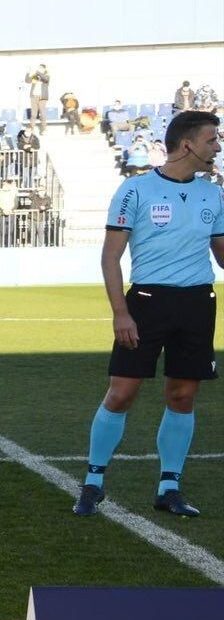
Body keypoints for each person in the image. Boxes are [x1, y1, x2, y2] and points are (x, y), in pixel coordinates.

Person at [75, 110, 222, 518]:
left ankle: (168, 488)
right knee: (122, 392)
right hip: (146, 301)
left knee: (183, 395)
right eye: (212, 139)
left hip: (197, 303)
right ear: (188, 144)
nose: (217, 147)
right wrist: (120, 313)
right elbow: (110, 257)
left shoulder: (213, 194)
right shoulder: (135, 190)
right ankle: (92, 483)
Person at [26, 63, 50, 130]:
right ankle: (32, 129)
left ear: (44, 69)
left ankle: (44, 129)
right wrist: (28, 72)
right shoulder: (35, 76)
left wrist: (38, 72)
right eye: (39, 68)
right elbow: (27, 81)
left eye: (40, 68)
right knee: (33, 114)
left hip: (42, 97)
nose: (39, 69)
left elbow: (46, 79)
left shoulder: (47, 75)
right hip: (34, 96)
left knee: (43, 114)